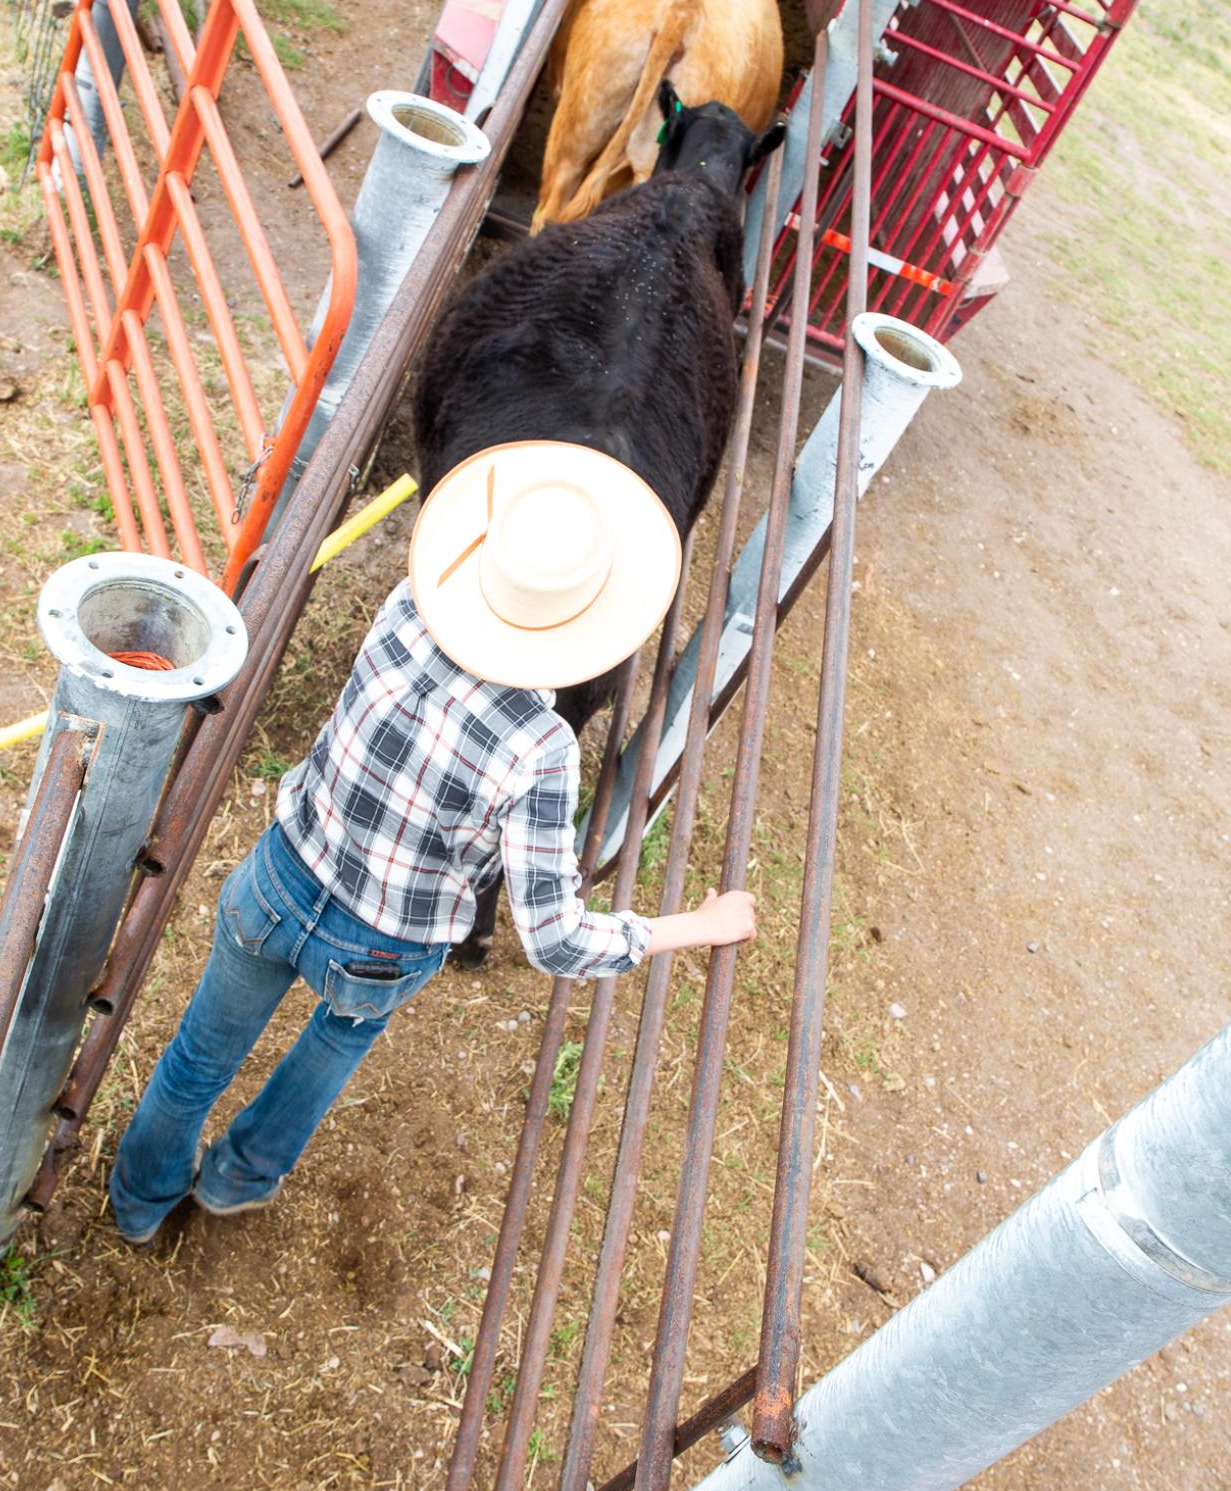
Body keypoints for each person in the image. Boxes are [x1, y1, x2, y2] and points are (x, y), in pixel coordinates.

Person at [108, 442, 757, 1245]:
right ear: (592, 621)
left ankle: (140, 1202)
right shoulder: (541, 746)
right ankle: (239, 1176)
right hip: (383, 943)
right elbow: (554, 939)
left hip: (279, 876)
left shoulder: (409, 604)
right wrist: (698, 924)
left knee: (197, 1057)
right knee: (339, 1038)